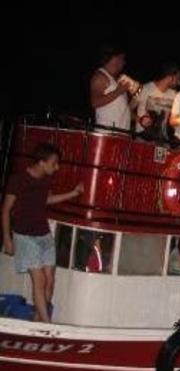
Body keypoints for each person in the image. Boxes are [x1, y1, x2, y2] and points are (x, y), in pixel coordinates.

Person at [2, 143, 84, 322]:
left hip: (44, 234)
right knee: (39, 280)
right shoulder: (19, 179)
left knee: (50, 280)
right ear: (41, 162)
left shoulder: (46, 179)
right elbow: (6, 209)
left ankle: (39, 320)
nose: (57, 167)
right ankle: (47, 325)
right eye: (54, 163)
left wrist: (73, 193)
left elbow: (46, 200)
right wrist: (7, 238)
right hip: (24, 236)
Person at [90, 45, 134, 131]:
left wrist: (139, 119)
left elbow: (123, 110)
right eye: (122, 58)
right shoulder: (100, 76)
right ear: (115, 58)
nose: (124, 62)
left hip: (121, 133)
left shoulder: (116, 80)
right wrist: (118, 91)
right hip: (107, 133)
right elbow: (94, 102)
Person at [133, 63, 180, 140]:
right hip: (143, 139)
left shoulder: (174, 95)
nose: (179, 82)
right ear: (170, 77)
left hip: (163, 140)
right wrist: (140, 119)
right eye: (178, 78)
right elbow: (128, 109)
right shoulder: (143, 89)